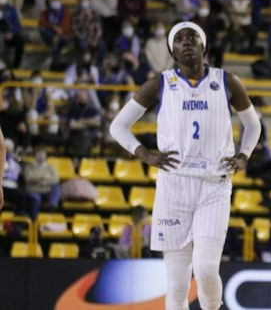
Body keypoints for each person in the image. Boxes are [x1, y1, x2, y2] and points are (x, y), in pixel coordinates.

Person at [109, 21, 262, 310]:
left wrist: (244, 155)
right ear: (172, 49)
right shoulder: (160, 84)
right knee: (177, 283)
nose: (187, 42)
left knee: (205, 268)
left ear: (204, 45)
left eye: (192, 37)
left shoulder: (227, 81)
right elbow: (118, 126)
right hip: (173, 186)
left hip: (214, 185)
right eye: (179, 39)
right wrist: (144, 154)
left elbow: (252, 125)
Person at [23, 145, 60, 217]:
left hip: (46, 191)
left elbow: (56, 180)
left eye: (42, 154)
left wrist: (45, 181)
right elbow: (28, 179)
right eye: (39, 154)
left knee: (56, 188)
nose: (41, 156)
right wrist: (42, 178)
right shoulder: (29, 167)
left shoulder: (50, 167)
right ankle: (34, 219)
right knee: (36, 198)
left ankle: (52, 207)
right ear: (35, 155)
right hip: (34, 191)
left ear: (45, 155)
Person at [0, 0, 25, 68]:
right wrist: (4, 33)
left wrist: (11, 33)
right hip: (1, 34)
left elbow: (17, 25)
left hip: (10, 34)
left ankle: (16, 67)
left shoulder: (12, 9)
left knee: (20, 40)